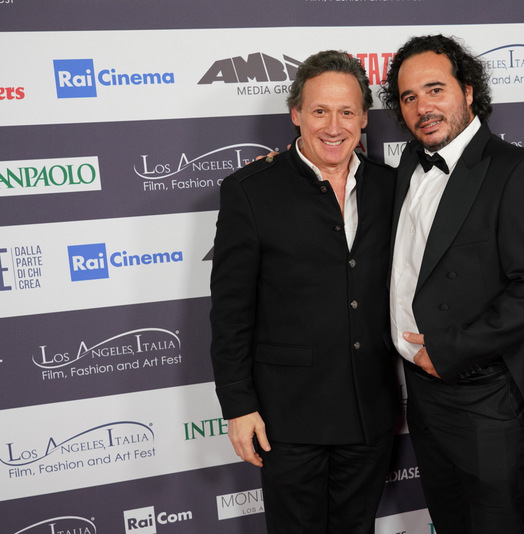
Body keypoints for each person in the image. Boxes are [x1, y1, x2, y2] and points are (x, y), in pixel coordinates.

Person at [379, 35, 524, 533]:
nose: (422, 107)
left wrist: (451, 350)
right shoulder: (408, 165)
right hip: (422, 394)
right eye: (408, 97)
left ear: (467, 90)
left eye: (435, 89)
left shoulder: (516, 171)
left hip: (487, 398)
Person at [210, 50, 398, 534]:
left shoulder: (393, 188)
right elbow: (230, 312)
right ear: (296, 114)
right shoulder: (250, 191)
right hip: (287, 420)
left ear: (364, 118)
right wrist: (238, 406)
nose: (333, 127)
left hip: (370, 413)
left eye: (347, 112)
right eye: (319, 111)